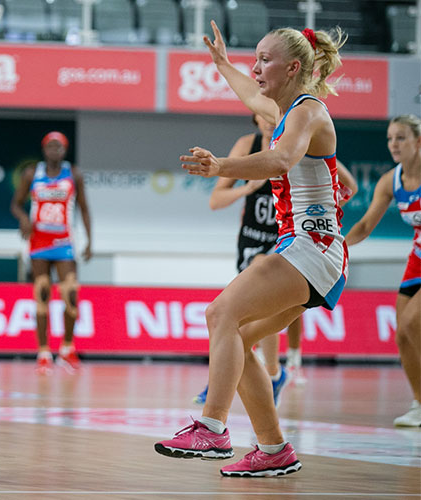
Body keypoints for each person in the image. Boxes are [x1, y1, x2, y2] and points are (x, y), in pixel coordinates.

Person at [154, 21, 347, 477]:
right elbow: (249, 94)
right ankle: (274, 449)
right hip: (314, 250)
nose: (255, 67)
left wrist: (223, 165)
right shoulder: (287, 110)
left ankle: (212, 427)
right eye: (254, 58)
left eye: (265, 60)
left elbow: (280, 160)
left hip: (311, 246)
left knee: (220, 314)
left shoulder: (308, 111)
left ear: (294, 67)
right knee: (237, 338)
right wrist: (222, 64)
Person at [193, 116, 359, 403]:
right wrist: (246, 188)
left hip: (289, 236)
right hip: (252, 236)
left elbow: (349, 186)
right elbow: (215, 200)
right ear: (256, 117)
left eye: (274, 117)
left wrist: (319, 210)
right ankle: (254, 385)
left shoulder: (300, 134)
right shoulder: (248, 145)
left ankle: (271, 371)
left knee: (260, 309)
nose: (271, 122)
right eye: (264, 116)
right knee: (240, 324)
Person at [344, 114, 421, 427]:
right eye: (390, 139)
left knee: (414, 321)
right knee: (402, 333)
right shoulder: (391, 180)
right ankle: (419, 405)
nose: (393, 145)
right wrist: (339, 247)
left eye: (401, 138)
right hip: (417, 257)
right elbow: (364, 225)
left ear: (418, 141)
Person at [10, 131, 93, 374]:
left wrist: (89, 240)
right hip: (39, 242)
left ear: (64, 150)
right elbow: (15, 204)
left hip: (64, 242)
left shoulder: (73, 173)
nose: (54, 150)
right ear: (44, 149)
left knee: (71, 294)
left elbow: (85, 208)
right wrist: (24, 218)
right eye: (50, 146)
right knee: (42, 294)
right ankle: (44, 352)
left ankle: (67, 348)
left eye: (59, 146)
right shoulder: (32, 173)